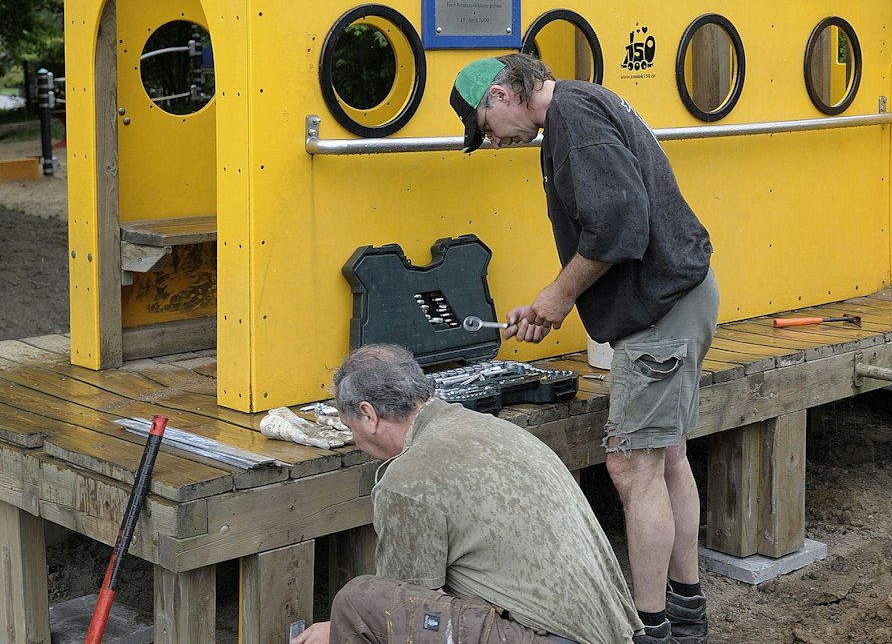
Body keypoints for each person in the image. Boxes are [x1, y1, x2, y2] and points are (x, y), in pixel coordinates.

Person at [449, 53, 718, 644]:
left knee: (631, 465)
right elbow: (614, 225)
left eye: (485, 128)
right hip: (677, 298)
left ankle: (651, 628)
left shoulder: (572, 118)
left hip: (663, 310)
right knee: (667, 455)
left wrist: (558, 296)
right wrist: (550, 302)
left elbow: (622, 226)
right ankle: (687, 610)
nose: (491, 143)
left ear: (500, 95)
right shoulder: (581, 104)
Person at [290, 344, 639, 644]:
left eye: (351, 428)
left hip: (552, 636)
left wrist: (338, 630)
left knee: (358, 604)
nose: (355, 440)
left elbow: (405, 613)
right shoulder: (488, 427)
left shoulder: (408, 480)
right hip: (608, 630)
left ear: (368, 415)